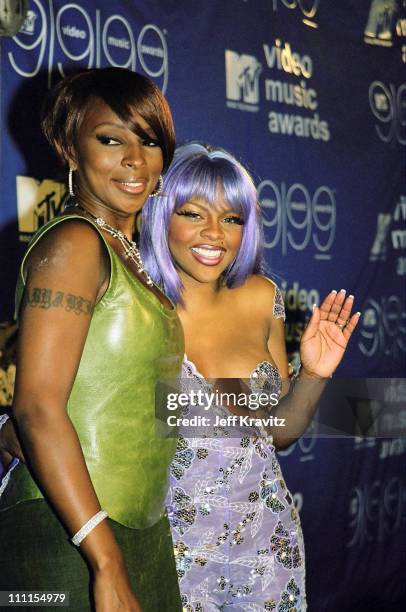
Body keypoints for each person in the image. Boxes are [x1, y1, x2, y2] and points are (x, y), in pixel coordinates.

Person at [139, 143, 360, 611]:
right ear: (163, 218)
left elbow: (280, 432)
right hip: (172, 553)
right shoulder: (137, 305)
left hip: (265, 545)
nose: (214, 234)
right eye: (193, 213)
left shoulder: (262, 297)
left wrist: (316, 373)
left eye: (232, 219)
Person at [0, 68, 184, 612]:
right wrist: (104, 560)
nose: (135, 159)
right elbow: (35, 407)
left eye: (149, 141)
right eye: (111, 139)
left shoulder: (129, 257)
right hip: (69, 534)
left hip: (137, 532)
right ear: (67, 146)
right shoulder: (77, 243)